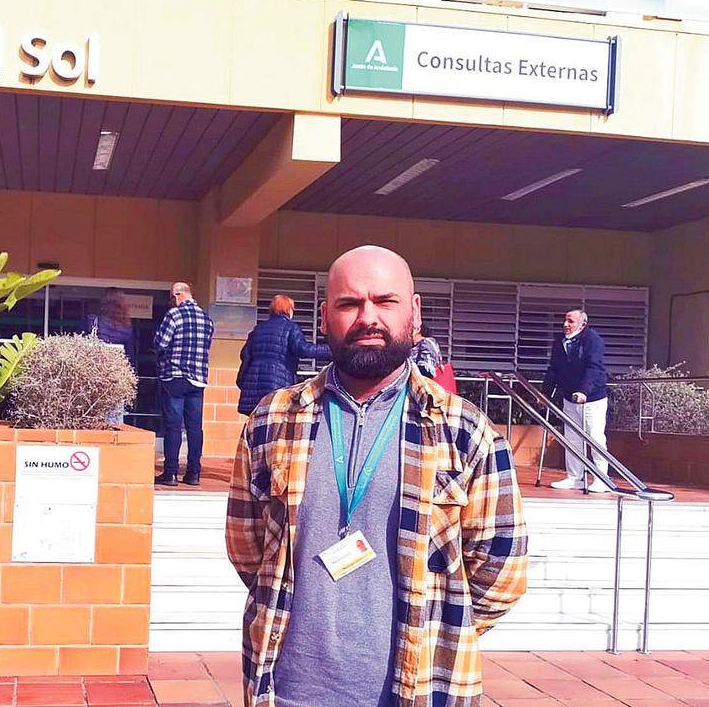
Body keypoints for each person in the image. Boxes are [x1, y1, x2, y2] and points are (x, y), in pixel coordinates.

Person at [226, 245, 528, 707]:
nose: (368, 317)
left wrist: (438, 624)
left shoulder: (465, 431)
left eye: (385, 301)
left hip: (417, 692)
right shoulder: (271, 421)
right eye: (350, 304)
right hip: (286, 691)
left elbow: (501, 568)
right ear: (325, 317)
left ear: (415, 312)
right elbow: (248, 550)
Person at [542, 309, 611, 493]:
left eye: (570, 321)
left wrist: (584, 391)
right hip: (569, 397)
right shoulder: (560, 341)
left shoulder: (592, 340)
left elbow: (594, 367)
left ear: (582, 324)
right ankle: (574, 477)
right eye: (565, 320)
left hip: (592, 398)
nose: (566, 324)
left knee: (595, 437)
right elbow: (553, 369)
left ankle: (601, 479)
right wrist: (544, 393)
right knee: (572, 438)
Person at [153, 281, 214, 487]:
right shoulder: (207, 319)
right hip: (198, 379)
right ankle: (193, 473)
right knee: (195, 427)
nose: (171, 301)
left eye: (171, 297)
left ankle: (170, 473)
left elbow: (160, 343)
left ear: (178, 295)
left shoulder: (174, 315)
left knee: (173, 426)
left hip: (175, 376)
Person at [236, 294, 332, 416]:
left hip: (252, 387)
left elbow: (245, 355)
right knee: (274, 423)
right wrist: (331, 350)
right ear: (288, 310)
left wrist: (242, 381)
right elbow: (303, 349)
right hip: (277, 382)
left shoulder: (258, 329)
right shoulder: (291, 327)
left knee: (255, 424)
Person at [86, 288, 137, 425]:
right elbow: (129, 355)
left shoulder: (93, 320)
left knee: (92, 411)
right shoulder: (127, 326)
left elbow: (83, 343)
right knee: (115, 412)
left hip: (95, 371)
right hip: (117, 373)